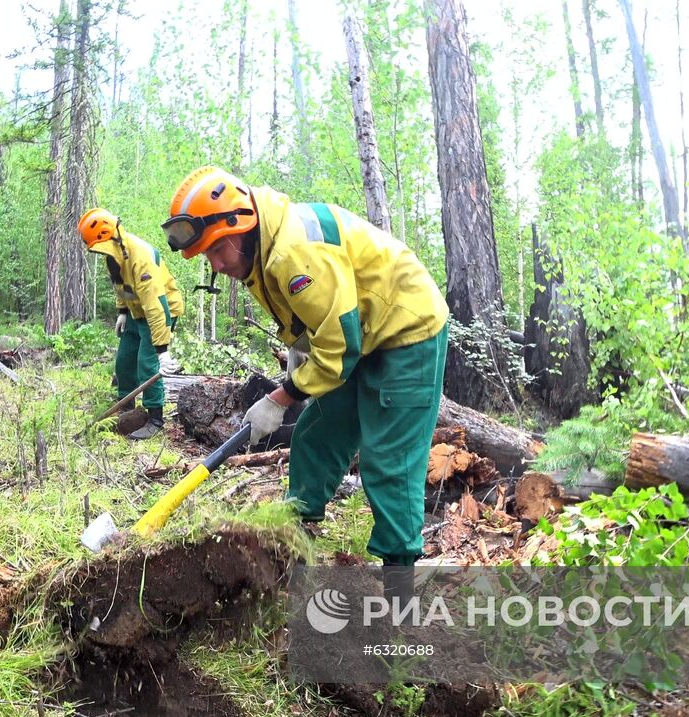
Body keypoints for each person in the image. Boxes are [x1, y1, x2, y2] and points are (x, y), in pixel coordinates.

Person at [162, 166, 449, 572]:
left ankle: (399, 580)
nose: (216, 264)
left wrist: (281, 396)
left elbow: (338, 348)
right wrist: (301, 358)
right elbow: (316, 321)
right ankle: (293, 535)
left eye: (217, 249)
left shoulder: (293, 254)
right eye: (207, 255)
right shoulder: (261, 244)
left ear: (239, 225)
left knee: (389, 459)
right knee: (319, 432)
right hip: (360, 330)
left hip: (406, 328)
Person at [79, 207, 184, 439]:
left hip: (160, 311)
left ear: (111, 237)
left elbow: (157, 307)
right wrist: (122, 311)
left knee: (146, 363)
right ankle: (125, 409)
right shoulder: (114, 258)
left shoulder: (140, 257)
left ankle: (155, 418)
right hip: (136, 312)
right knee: (125, 360)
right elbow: (121, 286)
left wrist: (162, 351)